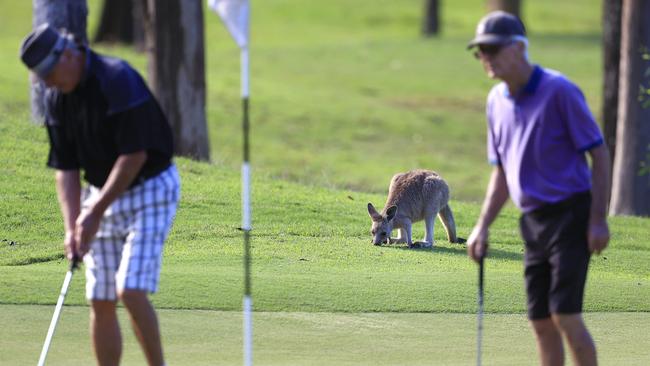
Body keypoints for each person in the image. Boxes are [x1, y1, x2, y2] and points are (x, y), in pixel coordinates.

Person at [20, 23, 180, 366]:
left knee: (130, 289)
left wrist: (94, 213)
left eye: (49, 72)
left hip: (149, 186)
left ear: (68, 55)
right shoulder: (56, 98)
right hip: (101, 191)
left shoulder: (116, 79)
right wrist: (73, 226)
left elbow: (134, 155)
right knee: (100, 297)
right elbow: (65, 168)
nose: (47, 82)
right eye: (41, 76)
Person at [465, 11, 610, 366]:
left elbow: (599, 153)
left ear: (518, 48)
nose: (487, 58)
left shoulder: (558, 91)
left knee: (565, 314)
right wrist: (482, 226)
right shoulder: (495, 102)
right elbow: (503, 172)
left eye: (493, 49)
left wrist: (597, 220)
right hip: (532, 222)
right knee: (541, 322)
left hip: (571, 214)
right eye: (481, 52)